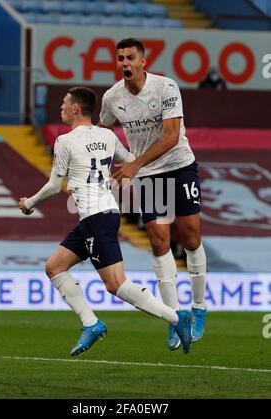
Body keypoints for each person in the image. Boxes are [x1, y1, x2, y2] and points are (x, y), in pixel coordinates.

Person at [18, 86, 192, 355]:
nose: (61, 108)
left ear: (76, 108)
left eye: (65, 103)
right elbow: (132, 161)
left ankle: (175, 317)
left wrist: (29, 203)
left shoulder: (65, 141)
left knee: (116, 284)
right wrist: (114, 178)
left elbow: (54, 186)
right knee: (54, 267)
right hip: (102, 215)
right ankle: (91, 323)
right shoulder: (107, 136)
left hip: (96, 218)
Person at [99, 38, 207, 351]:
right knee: (159, 242)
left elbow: (172, 137)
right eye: (120, 58)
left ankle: (199, 307)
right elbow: (103, 128)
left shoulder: (165, 88)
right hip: (148, 176)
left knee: (190, 239)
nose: (124, 63)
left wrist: (134, 163)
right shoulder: (112, 98)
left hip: (179, 167)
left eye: (130, 57)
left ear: (143, 61)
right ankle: (176, 318)